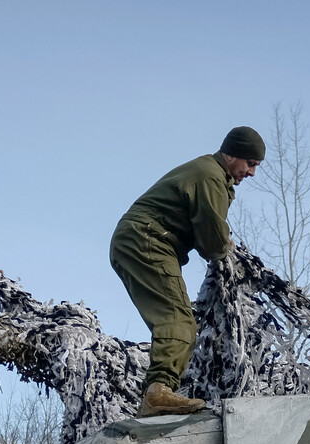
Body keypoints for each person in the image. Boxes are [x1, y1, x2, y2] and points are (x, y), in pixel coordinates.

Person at [110, 126, 264, 417]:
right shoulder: (211, 176)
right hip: (147, 239)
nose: (252, 172)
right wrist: (225, 246)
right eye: (250, 163)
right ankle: (159, 392)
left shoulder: (209, 172)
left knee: (174, 317)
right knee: (177, 318)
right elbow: (212, 241)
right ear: (232, 155)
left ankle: (158, 391)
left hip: (138, 238)